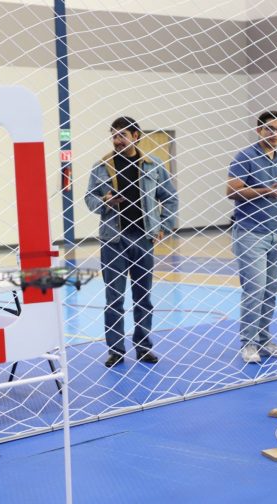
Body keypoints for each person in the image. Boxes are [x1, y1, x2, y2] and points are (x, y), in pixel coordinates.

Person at [85, 116, 178, 368]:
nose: (117, 140)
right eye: (114, 135)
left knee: (143, 297)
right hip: (113, 240)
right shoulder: (101, 166)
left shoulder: (153, 164)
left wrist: (164, 226)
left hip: (144, 239)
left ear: (136, 136)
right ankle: (116, 350)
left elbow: (170, 197)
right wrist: (105, 201)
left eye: (122, 135)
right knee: (114, 299)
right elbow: (89, 199)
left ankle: (144, 346)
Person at [226, 110, 277, 364]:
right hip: (250, 233)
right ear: (259, 130)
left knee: (271, 290)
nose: (274, 133)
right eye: (269, 128)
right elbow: (231, 191)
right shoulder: (245, 157)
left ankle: (265, 340)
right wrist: (264, 191)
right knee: (254, 289)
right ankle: (249, 343)